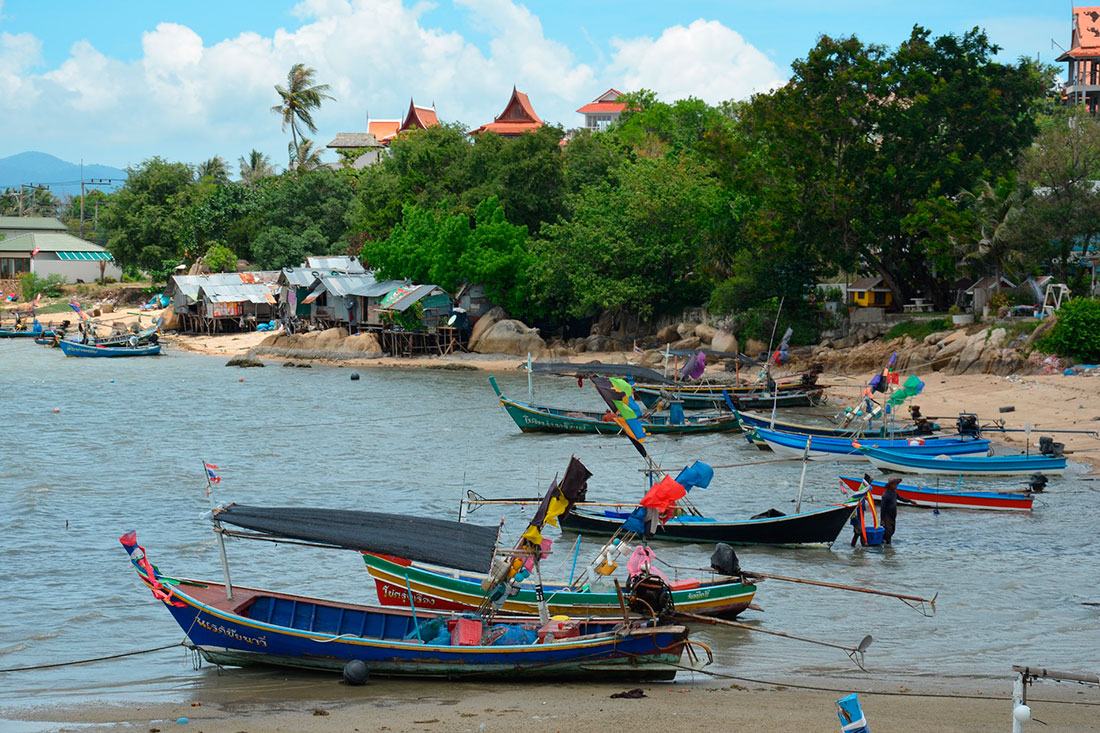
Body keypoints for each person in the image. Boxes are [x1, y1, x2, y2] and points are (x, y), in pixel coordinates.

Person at [880, 477, 913, 545]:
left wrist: (910, 501)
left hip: (893, 515)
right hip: (887, 515)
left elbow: (901, 498)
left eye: (896, 484)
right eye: (894, 485)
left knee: (892, 531)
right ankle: (886, 546)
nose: (896, 486)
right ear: (890, 485)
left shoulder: (894, 493)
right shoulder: (885, 495)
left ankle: (885, 542)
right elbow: (882, 508)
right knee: (888, 531)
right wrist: (882, 520)